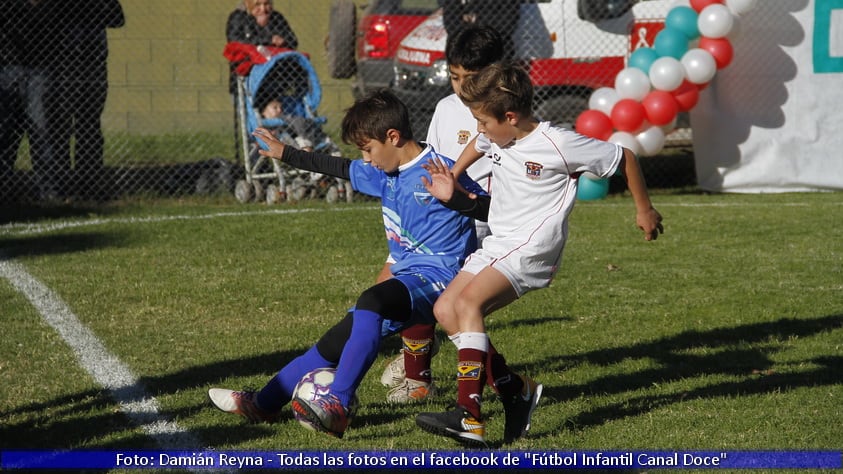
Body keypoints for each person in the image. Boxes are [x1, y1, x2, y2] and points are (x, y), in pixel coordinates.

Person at [208, 89, 486, 439]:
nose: (365, 159)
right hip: (407, 278)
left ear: (393, 137)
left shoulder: (441, 171)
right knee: (335, 341)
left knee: (371, 301)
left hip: (441, 279)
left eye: (368, 149)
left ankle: (338, 402)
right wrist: (285, 153)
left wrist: (460, 200)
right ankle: (262, 403)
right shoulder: (385, 171)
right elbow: (339, 167)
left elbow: (490, 208)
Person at [414, 62, 665, 446]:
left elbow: (624, 157)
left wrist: (643, 210)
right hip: (501, 242)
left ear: (510, 116)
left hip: (531, 249)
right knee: (445, 310)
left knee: (467, 306)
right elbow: (479, 143)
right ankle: (515, 391)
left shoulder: (558, 144)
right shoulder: (498, 135)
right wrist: (455, 177)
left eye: (483, 121)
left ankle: (470, 416)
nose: (479, 129)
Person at [378, 25, 505, 404]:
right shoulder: (446, 108)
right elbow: (428, 162)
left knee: (449, 306)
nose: (461, 87)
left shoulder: (506, 114)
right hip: (432, 218)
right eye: (454, 77)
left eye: (471, 78)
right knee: (388, 289)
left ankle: (420, 376)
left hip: (479, 222)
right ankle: (414, 371)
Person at [53, 0, 125, 199]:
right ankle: (62, 185)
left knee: (90, 125)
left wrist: (93, 8)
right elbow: (56, 15)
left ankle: (89, 182)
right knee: (62, 125)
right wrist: (88, 9)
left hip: (93, 64)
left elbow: (118, 19)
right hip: (65, 65)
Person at [226, 0, 298, 94]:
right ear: (248, 3)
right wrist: (269, 40)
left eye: (267, 4)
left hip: (275, 81)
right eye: (257, 4)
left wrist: (283, 41)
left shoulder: (276, 18)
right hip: (246, 80)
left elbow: (293, 41)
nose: (263, 9)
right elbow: (234, 40)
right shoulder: (238, 17)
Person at [440, 0, 520, 59]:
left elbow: (507, 23)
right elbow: (450, 21)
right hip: (462, 51)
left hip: (493, 50)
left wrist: (476, 20)